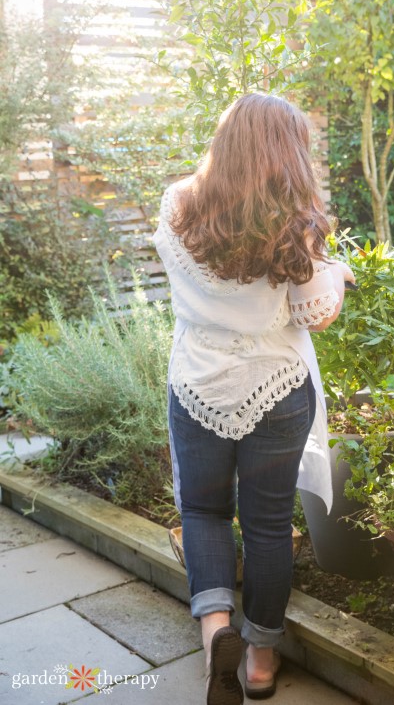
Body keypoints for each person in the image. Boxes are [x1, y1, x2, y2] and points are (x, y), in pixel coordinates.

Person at [153, 93, 355, 705]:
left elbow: (180, 274)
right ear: (286, 151)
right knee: (268, 525)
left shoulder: (179, 202)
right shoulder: (297, 223)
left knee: (204, 511)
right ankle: (261, 659)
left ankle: (217, 632)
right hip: (277, 387)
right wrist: (337, 271)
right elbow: (315, 313)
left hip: (198, 381)